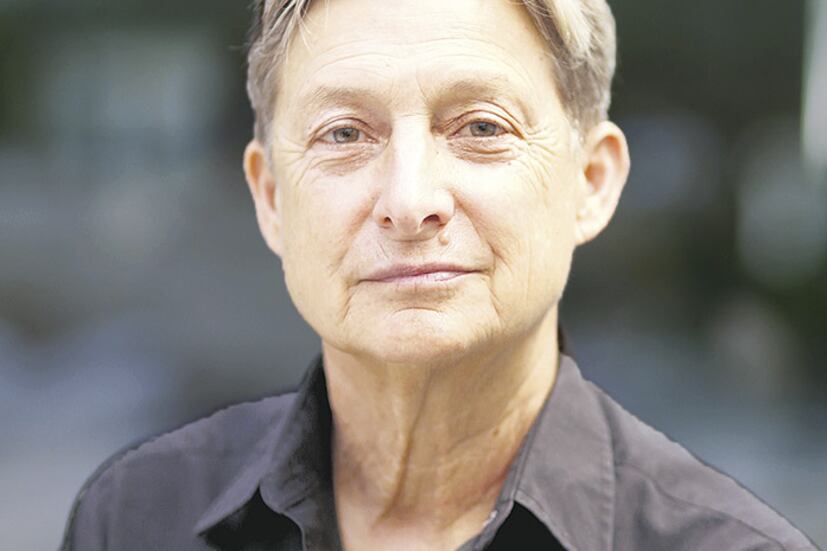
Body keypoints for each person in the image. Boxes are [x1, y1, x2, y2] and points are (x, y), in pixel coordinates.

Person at [61, 0, 818, 549]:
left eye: (481, 127)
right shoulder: (136, 518)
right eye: (345, 133)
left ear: (590, 183)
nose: (409, 200)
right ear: (270, 198)